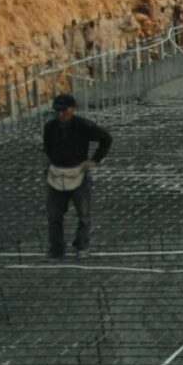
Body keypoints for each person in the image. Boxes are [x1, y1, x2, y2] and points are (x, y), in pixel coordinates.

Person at [43, 94, 112, 260]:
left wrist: (95, 160)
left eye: (64, 111)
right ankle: (56, 248)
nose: (60, 114)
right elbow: (47, 147)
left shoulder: (82, 126)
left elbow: (106, 138)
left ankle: (82, 245)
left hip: (78, 173)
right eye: (57, 111)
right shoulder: (50, 127)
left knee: (83, 214)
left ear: (72, 109)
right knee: (54, 215)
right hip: (56, 174)